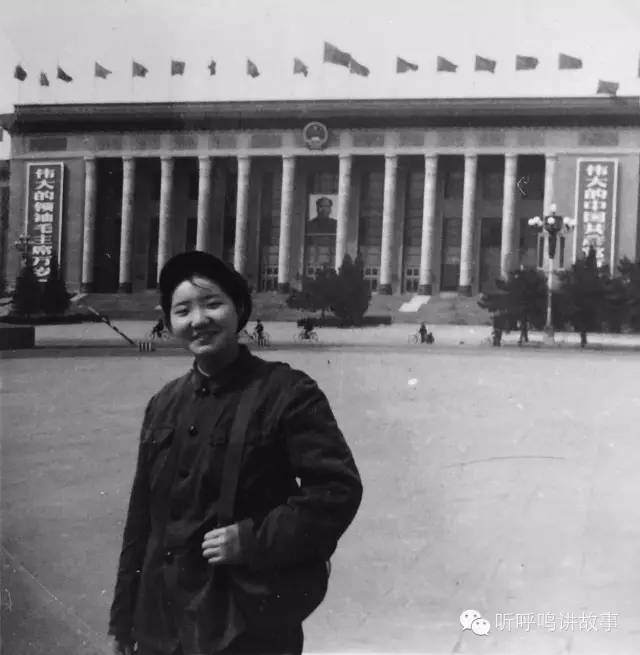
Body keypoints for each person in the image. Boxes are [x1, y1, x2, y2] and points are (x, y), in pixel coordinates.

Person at [108, 251, 362, 655]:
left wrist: (253, 539)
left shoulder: (286, 392)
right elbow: (141, 518)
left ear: (239, 308)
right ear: (170, 323)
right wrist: (124, 620)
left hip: (246, 623)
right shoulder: (164, 404)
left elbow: (336, 490)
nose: (199, 320)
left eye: (212, 304)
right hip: (162, 627)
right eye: (183, 310)